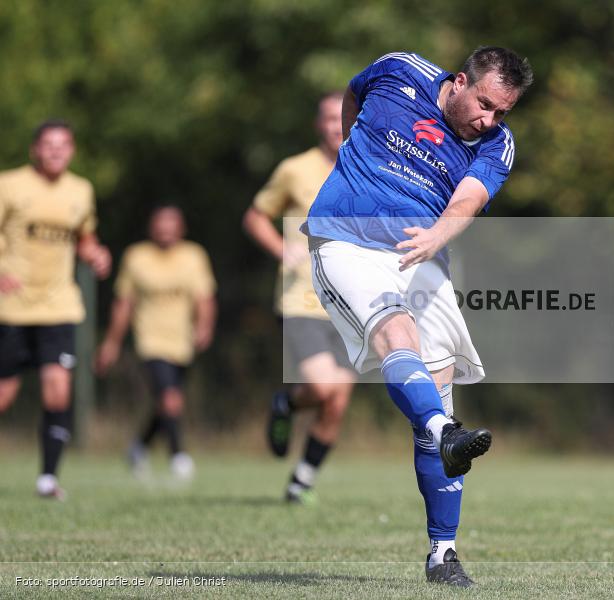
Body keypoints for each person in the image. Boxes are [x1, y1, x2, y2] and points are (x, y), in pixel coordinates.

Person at [305, 47, 533, 586]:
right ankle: (444, 430)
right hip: (346, 240)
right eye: (483, 104)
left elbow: (468, 201)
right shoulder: (399, 69)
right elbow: (353, 92)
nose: (489, 120)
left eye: (502, 112)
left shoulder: (497, 145)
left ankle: (442, 556)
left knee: (439, 387)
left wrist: (437, 235)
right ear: (459, 82)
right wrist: (346, 149)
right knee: (396, 332)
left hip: (420, 253)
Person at [243, 92, 357, 504]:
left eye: (341, 117)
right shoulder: (295, 169)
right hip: (302, 299)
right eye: (327, 118)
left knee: (337, 401)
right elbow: (255, 216)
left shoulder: (369, 168)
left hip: (352, 305)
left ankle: (301, 481)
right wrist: (280, 248)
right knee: (323, 386)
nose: (335, 125)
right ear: (317, 124)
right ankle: (286, 402)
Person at [0, 119, 112, 500]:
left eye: (63, 145)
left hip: (59, 306)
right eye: (48, 145)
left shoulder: (81, 190)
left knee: (57, 394)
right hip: (13, 308)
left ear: (72, 150)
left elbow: (85, 238)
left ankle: (47, 478)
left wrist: (95, 255)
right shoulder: (9, 185)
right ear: (35, 149)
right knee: (5, 395)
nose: (55, 151)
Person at [95, 205, 216, 480]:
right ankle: (178, 457)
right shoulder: (136, 257)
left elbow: (204, 298)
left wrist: (204, 326)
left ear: (181, 229)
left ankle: (139, 448)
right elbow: (124, 303)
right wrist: (111, 343)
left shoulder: (193, 256)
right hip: (149, 340)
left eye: (171, 226)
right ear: (151, 228)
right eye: (160, 226)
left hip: (182, 342)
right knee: (171, 400)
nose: (165, 232)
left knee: (166, 404)